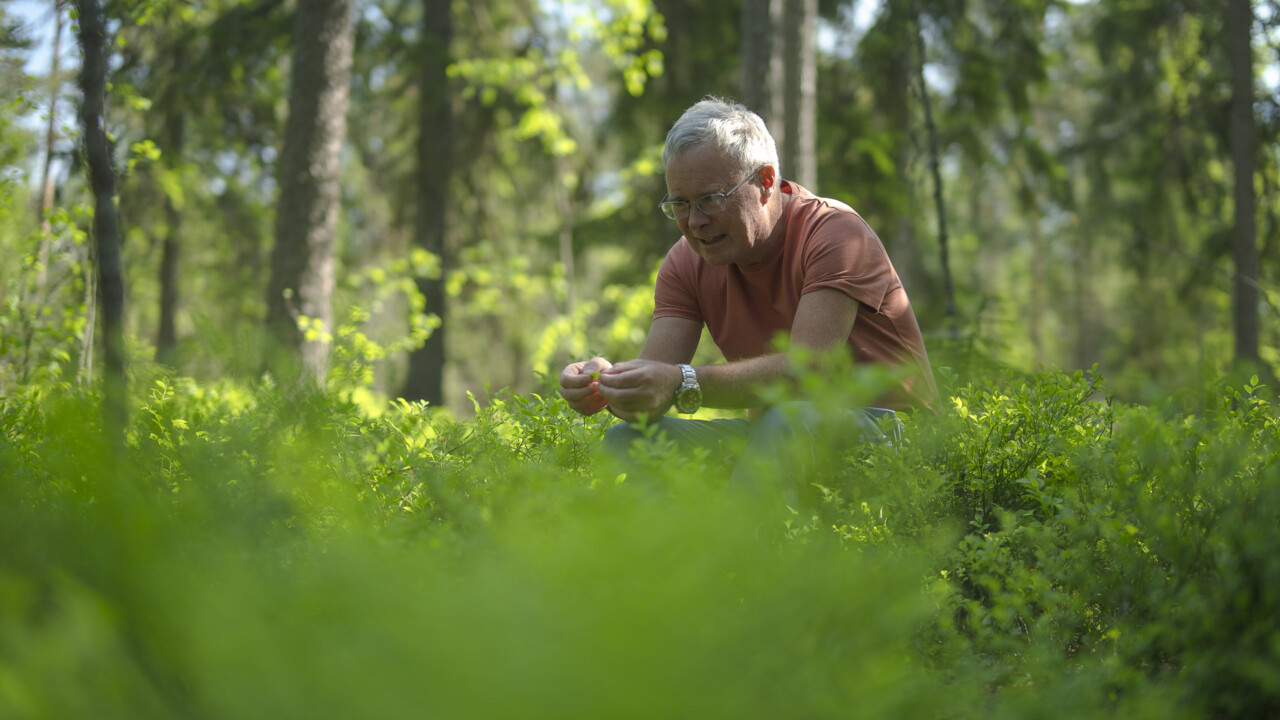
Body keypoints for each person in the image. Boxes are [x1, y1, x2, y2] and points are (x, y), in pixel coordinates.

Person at [559, 96, 936, 492]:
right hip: (780, 439)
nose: (695, 222)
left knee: (788, 420)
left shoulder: (835, 233)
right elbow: (654, 392)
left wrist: (680, 381)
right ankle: (658, 553)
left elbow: (808, 372)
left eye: (711, 199)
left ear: (765, 182)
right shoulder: (685, 263)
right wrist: (609, 383)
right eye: (680, 204)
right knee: (628, 441)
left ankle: (731, 554)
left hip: (898, 439)